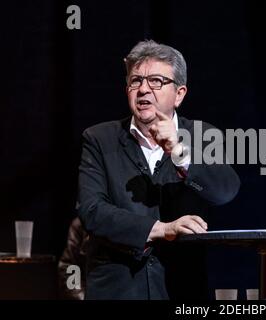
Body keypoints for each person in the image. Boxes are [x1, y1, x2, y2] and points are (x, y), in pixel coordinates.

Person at [77, 39, 240, 300]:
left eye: (156, 81)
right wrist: (162, 229)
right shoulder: (99, 138)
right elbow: (92, 211)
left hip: (181, 288)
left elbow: (225, 191)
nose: (143, 90)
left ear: (179, 94)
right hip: (118, 289)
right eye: (135, 81)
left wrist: (179, 153)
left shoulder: (202, 136)